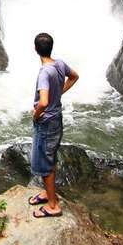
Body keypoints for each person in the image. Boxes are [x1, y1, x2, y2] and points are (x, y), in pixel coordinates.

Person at [29, 32, 79, 218]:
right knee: (51, 157)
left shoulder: (44, 72)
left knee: (44, 162)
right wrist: (58, 95)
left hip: (46, 123)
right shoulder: (59, 64)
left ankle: (53, 206)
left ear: (35, 50)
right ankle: (47, 192)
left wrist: (36, 115)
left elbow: (42, 102)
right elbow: (74, 76)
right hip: (56, 119)